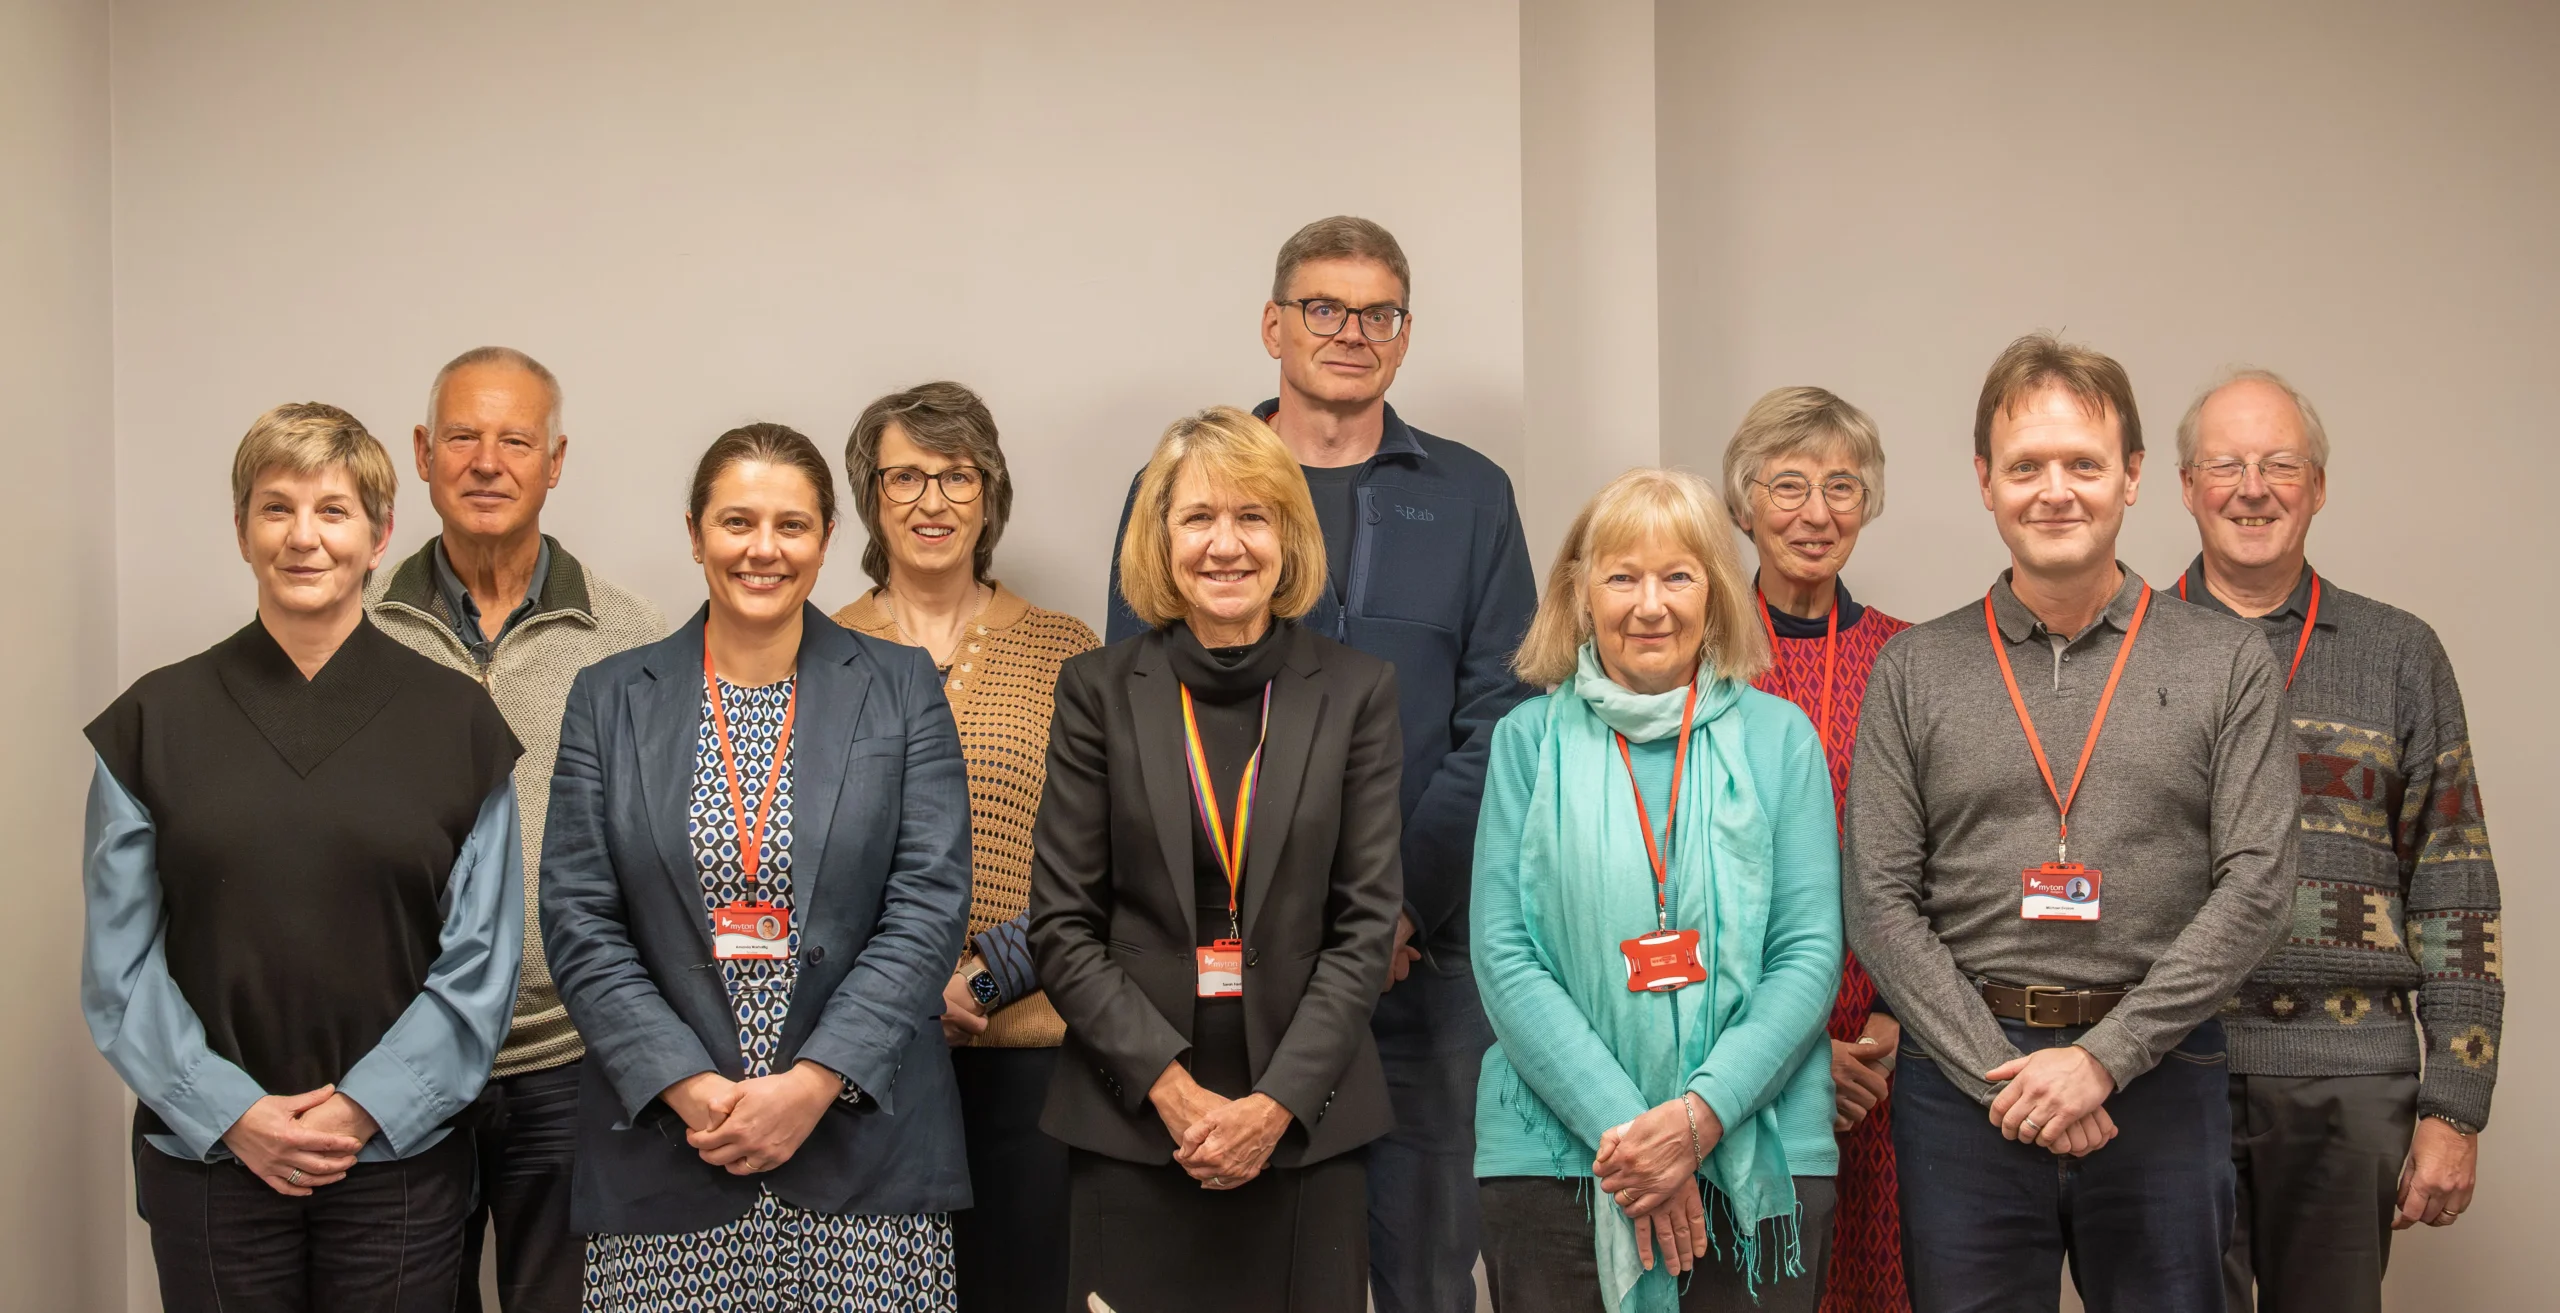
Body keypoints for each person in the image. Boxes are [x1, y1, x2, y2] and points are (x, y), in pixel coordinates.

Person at [1103, 216, 1536, 1313]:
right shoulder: (1180, 483)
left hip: (1421, 966)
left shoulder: (1473, 494)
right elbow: (1142, 725)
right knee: (1254, 1271)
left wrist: (1392, 912)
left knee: (1429, 1271)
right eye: (1323, 308)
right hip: (1228, 966)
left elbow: (1501, 720)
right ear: (1273, 325)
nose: (1351, 331)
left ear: (1403, 335)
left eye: (1378, 312)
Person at [1843, 333, 2300, 1312]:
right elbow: (1877, 899)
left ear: (2132, 476)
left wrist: (2102, 1058)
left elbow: (2258, 882)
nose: (2055, 490)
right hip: (1966, 1083)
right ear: (1983, 480)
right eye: (2025, 466)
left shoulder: (2226, 664)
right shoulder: (1913, 670)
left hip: (2160, 1065)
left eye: (2083, 464)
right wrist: (2005, 1073)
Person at [83, 402, 523, 1311]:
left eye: (334, 510)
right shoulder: (151, 723)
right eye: (276, 508)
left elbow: (484, 960)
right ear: (241, 529)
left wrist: (363, 1107)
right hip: (209, 1154)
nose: (304, 537)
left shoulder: (459, 725)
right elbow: (119, 968)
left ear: (380, 532)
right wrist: (233, 1112)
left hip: (399, 1154)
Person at [540, 423, 973, 1311]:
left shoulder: (900, 688)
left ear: (826, 542)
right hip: (671, 1147)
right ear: (695, 533)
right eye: (737, 522)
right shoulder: (610, 698)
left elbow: (928, 903)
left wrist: (815, 1081)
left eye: (792, 525)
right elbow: (579, 917)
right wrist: (688, 1085)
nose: (763, 549)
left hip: (862, 1147)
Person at [1033, 406, 1403, 1313]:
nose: (1225, 545)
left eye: (1253, 516)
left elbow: (1364, 931)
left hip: (1304, 1124)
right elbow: (1063, 925)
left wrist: (1270, 1107)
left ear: (1288, 536)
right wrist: (1173, 1093)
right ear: (1161, 540)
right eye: (1198, 518)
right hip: (1135, 1119)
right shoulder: (1098, 691)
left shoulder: (1355, 692)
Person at [2165, 370, 2502, 1313]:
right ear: (2186, 486)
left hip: (2352, 1078)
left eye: (2280, 464)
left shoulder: (2400, 653)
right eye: (2226, 465)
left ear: (2318, 484)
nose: (2252, 488)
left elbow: (2455, 881)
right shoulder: (2130, 645)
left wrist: (2456, 1101)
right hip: (2166, 1068)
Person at [1473, 468, 1844, 1312]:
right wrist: (1635, 1138)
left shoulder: (1782, 740)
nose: (1651, 605)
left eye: (1678, 575)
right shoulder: (1525, 743)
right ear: (1580, 592)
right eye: (1622, 576)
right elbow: (1504, 956)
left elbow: (1810, 954)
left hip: (1761, 1150)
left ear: (1715, 593)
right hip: (1559, 1163)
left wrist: (1697, 1120)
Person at [368, 346, 664, 1313]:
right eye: (462, 436)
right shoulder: (357, 636)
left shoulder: (633, 640)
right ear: (421, 451)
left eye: (515, 439)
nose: (487, 461)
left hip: (574, 1061)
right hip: (396, 1060)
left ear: (556, 459)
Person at [829, 381, 1099, 1311]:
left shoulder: (1067, 652)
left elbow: (1099, 860)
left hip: (1026, 1050)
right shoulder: (813, 648)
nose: (931, 501)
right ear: (870, 495)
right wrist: (900, 991)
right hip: (857, 1051)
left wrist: (984, 979)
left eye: (957, 476)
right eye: (905, 476)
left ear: (990, 494)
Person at [1718, 388, 1912, 1312]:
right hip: (1730, 1053)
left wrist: (1893, 1025)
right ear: (1743, 500)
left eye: (1843, 486)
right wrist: (1787, 1054)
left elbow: (1947, 866)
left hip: (1886, 1062)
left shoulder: (1912, 663)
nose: (1817, 511)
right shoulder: (1695, 662)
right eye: (1788, 484)